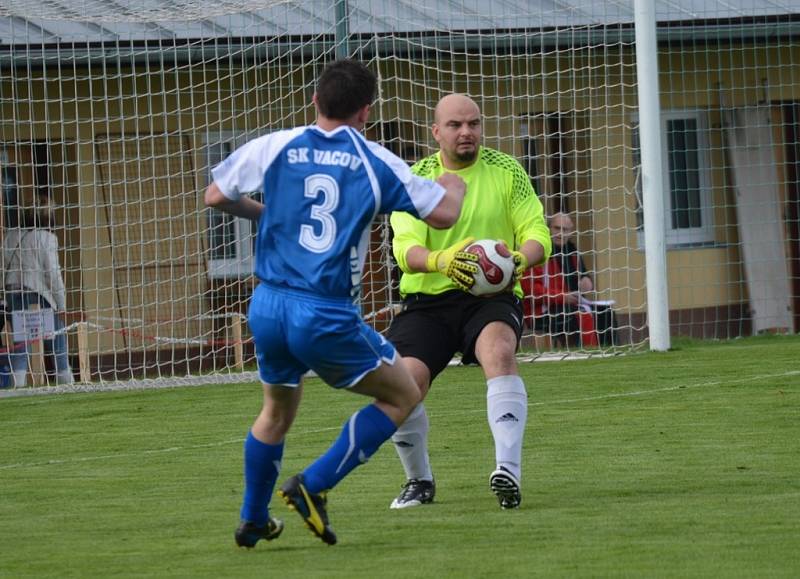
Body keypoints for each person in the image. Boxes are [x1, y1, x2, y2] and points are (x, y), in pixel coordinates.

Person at [204, 59, 467, 548]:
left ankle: (252, 518)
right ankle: (313, 485)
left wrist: (266, 214)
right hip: (322, 311)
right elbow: (446, 213)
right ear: (366, 111)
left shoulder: (277, 144)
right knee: (404, 393)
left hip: (266, 305)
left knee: (275, 412)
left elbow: (216, 195)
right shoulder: (374, 159)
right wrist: (454, 181)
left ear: (314, 101)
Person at [386, 94, 551, 510]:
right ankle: (419, 481)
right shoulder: (416, 178)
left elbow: (538, 234)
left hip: (492, 298)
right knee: (403, 383)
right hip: (428, 301)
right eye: (456, 125)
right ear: (436, 132)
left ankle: (508, 471)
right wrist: (443, 260)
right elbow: (404, 248)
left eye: (474, 124)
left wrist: (516, 260)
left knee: (499, 351)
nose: (467, 132)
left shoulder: (507, 170)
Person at [2, 197, 74, 387]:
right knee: (56, 334)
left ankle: (18, 382)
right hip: (38, 293)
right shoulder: (47, 238)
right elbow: (53, 274)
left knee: (21, 338)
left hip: (14, 292)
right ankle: (64, 377)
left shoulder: (10, 236)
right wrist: (62, 304)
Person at [521, 212, 606, 348]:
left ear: (570, 232)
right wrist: (563, 297)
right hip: (542, 311)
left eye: (565, 230)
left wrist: (586, 283)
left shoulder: (572, 252)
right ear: (548, 229)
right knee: (576, 314)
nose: (560, 233)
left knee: (605, 311)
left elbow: (585, 277)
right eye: (556, 228)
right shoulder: (539, 252)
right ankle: (584, 351)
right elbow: (531, 290)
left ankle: (608, 351)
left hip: (571, 304)